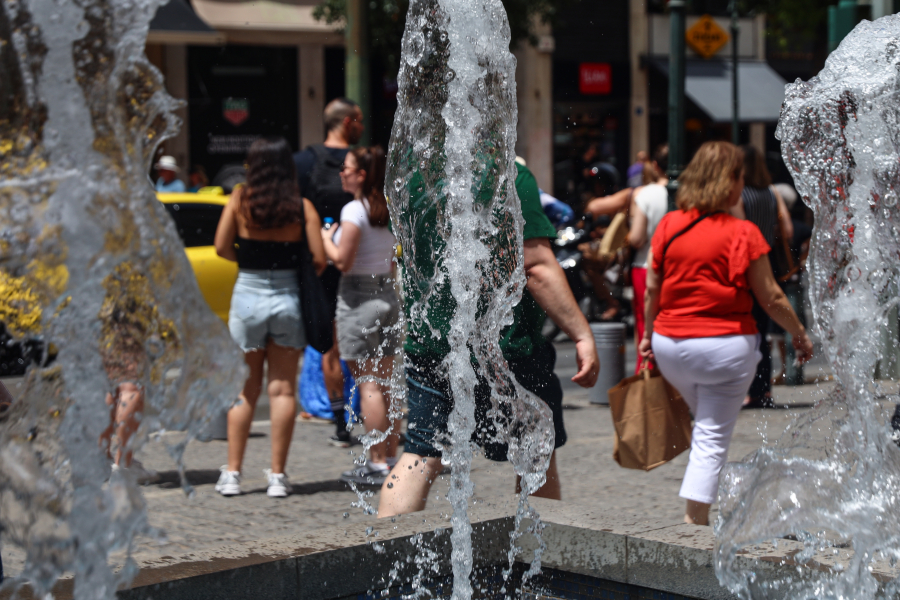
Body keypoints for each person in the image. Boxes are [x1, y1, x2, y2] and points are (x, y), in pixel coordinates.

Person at [378, 161, 600, 518]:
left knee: (421, 454)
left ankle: (385, 555)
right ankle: (535, 560)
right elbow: (536, 264)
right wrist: (581, 334)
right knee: (534, 456)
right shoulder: (507, 173)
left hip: (431, 345)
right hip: (508, 347)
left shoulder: (416, 172)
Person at [639, 141, 813, 526]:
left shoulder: (669, 224)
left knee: (705, 422)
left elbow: (652, 288)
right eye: (739, 177)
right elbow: (769, 296)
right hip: (724, 349)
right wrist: (799, 334)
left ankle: (703, 506)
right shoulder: (744, 234)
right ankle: (693, 523)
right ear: (729, 182)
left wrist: (648, 336)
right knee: (712, 436)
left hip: (671, 346)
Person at [214, 136, 326, 497]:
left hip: (247, 295)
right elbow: (320, 259)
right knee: (282, 389)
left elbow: (220, 247)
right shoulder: (301, 207)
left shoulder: (240, 199)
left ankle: (232, 474)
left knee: (245, 391)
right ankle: (277, 476)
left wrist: (248, 264)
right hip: (287, 299)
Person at [321, 146, 400, 485]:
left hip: (358, 298)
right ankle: (393, 455)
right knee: (385, 383)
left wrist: (326, 238)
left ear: (363, 174)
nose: (342, 172)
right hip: (386, 295)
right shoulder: (387, 210)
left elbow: (342, 260)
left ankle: (377, 461)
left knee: (368, 383)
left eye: (348, 167)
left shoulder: (353, 211)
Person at [294, 98, 365, 446]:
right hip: (361, 266)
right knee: (367, 349)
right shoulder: (364, 162)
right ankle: (372, 417)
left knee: (330, 350)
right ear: (349, 122)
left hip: (321, 268)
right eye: (360, 121)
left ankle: (341, 423)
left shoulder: (304, 161)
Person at [731, 145, 794, 408]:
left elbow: (737, 230)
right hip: (769, 264)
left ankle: (748, 389)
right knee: (763, 330)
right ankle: (763, 389)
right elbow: (788, 230)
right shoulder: (773, 192)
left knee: (748, 328)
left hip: (747, 268)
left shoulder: (739, 194)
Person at [628, 145, 669, 372]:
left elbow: (636, 238)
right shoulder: (690, 192)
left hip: (645, 266)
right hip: (678, 269)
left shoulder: (646, 194)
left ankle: (646, 372)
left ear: (655, 166)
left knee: (646, 325)